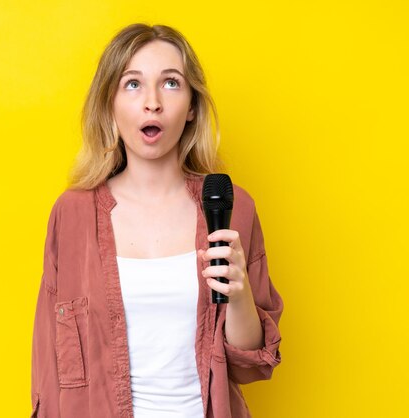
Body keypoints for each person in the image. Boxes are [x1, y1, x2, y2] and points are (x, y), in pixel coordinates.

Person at [31, 23, 283, 418]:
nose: (152, 102)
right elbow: (50, 370)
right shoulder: (72, 214)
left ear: (192, 107)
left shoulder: (234, 209)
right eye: (133, 84)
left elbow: (251, 363)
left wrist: (239, 293)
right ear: (110, 106)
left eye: (170, 83)